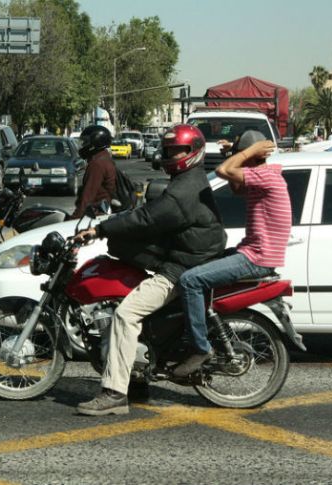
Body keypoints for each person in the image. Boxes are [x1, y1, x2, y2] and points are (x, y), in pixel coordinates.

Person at [74, 124, 227, 416]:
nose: (171, 155)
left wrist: (101, 229)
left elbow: (147, 219)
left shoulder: (183, 191)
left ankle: (114, 393)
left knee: (125, 315)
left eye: (177, 150)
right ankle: (136, 378)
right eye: (169, 150)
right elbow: (149, 218)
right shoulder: (189, 179)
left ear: (192, 151)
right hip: (188, 255)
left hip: (183, 266)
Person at [174, 130, 289, 377]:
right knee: (200, 264)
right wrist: (234, 153)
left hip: (256, 258)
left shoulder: (266, 176)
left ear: (253, 155)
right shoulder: (263, 177)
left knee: (190, 281)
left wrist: (244, 153)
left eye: (242, 154)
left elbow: (222, 171)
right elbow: (236, 188)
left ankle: (200, 347)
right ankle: (195, 329)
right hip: (254, 252)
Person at [69, 125, 117, 220]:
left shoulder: (97, 164)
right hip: (101, 213)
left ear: (94, 143)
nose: (82, 146)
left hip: (95, 216)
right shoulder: (105, 158)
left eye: (85, 142)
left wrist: (72, 220)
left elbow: (87, 198)